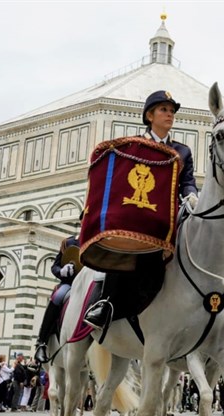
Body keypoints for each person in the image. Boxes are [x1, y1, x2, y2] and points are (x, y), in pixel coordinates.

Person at [84, 89, 198, 330]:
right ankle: (106, 303)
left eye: (171, 111)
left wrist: (191, 195)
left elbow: (186, 182)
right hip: (136, 218)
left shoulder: (182, 151)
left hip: (165, 222)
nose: (170, 115)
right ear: (149, 116)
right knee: (123, 249)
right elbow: (117, 181)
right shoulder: (133, 146)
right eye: (164, 110)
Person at [35, 234, 80, 363]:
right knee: (58, 296)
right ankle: (41, 342)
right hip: (70, 284)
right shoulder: (68, 242)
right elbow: (55, 266)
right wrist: (62, 271)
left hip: (89, 282)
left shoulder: (97, 237)